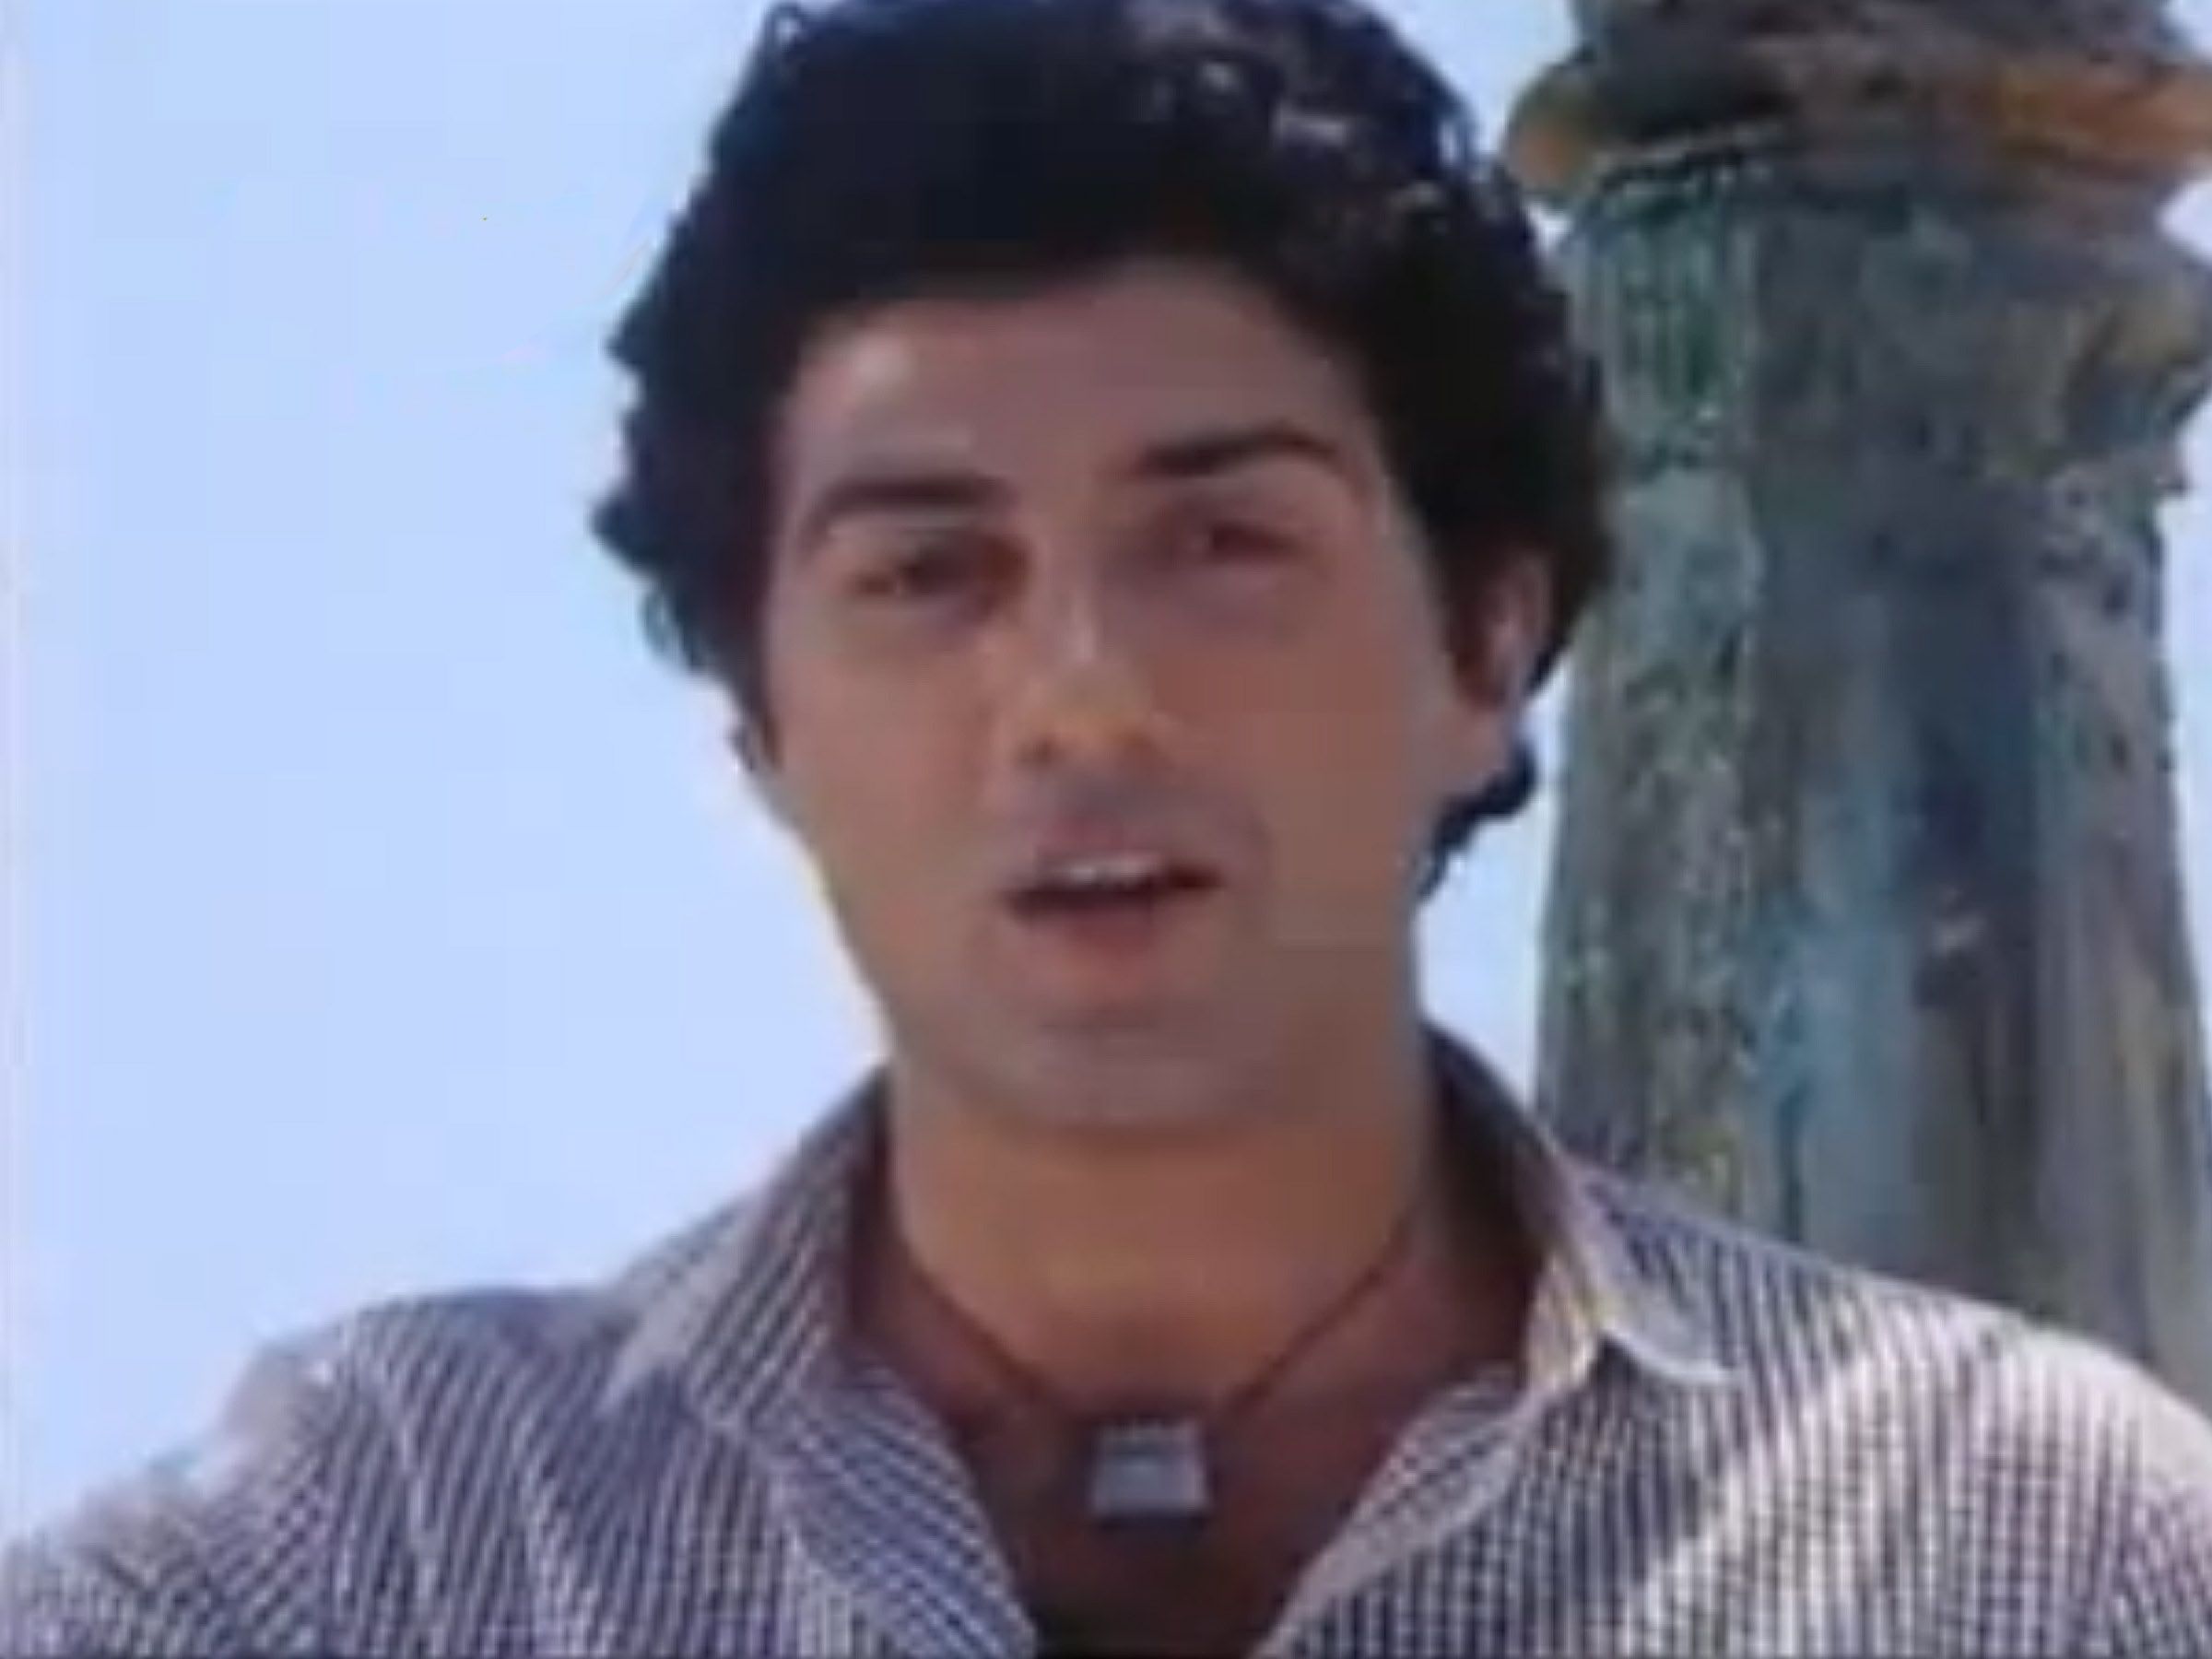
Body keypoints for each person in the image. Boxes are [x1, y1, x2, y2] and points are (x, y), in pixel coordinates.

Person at [9, 0, 2212, 1651]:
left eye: (1220, 541)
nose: (1079, 693)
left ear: (1487, 636)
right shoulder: (381, 1554)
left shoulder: (2022, 1555)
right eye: (927, 572)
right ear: (762, 722)